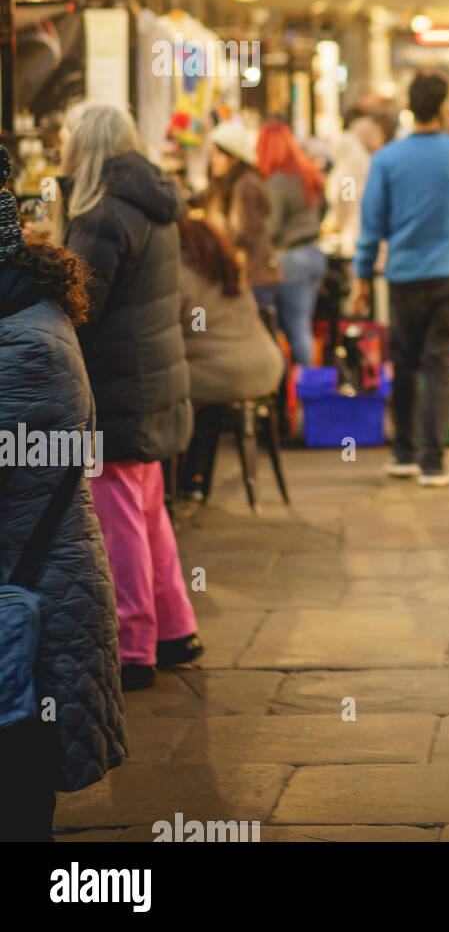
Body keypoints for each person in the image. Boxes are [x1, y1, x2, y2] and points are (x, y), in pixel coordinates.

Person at [0, 150, 127, 841]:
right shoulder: (23, 317)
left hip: (35, 612)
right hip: (37, 594)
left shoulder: (25, 347)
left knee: (17, 798)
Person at [61, 101, 200, 692]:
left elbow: (81, 306)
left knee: (119, 518)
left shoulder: (100, 213)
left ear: (83, 146)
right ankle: (175, 629)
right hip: (155, 381)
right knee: (148, 512)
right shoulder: (154, 205)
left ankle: (135, 645)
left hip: (117, 386)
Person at [350, 72, 449, 486]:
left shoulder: (386, 158)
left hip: (402, 276)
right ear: (443, 108)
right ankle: (433, 463)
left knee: (404, 363)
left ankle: (402, 453)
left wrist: (362, 275)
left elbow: (371, 224)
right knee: (440, 366)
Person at [176, 215, 286, 500]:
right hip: (266, 366)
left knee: (166, 385)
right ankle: (194, 479)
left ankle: (181, 482)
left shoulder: (180, 277)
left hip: (224, 373)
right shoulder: (231, 271)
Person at [255, 119, 327, 370]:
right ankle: (308, 391)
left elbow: (272, 227)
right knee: (301, 327)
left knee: (293, 329)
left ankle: (300, 395)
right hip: (314, 254)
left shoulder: (277, 180)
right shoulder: (307, 171)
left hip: (291, 258)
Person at [205, 118, 280, 294]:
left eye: (218, 154)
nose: (213, 160)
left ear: (234, 157)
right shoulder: (229, 184)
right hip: (251, 274)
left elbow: (244, 233)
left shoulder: (245, 185)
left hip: (254, 276)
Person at [325, 111, 385, 260]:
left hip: (355, 229)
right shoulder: (359, 163)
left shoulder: (352, 164)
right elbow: (348, 197)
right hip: (360, 229)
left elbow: (346, 197)